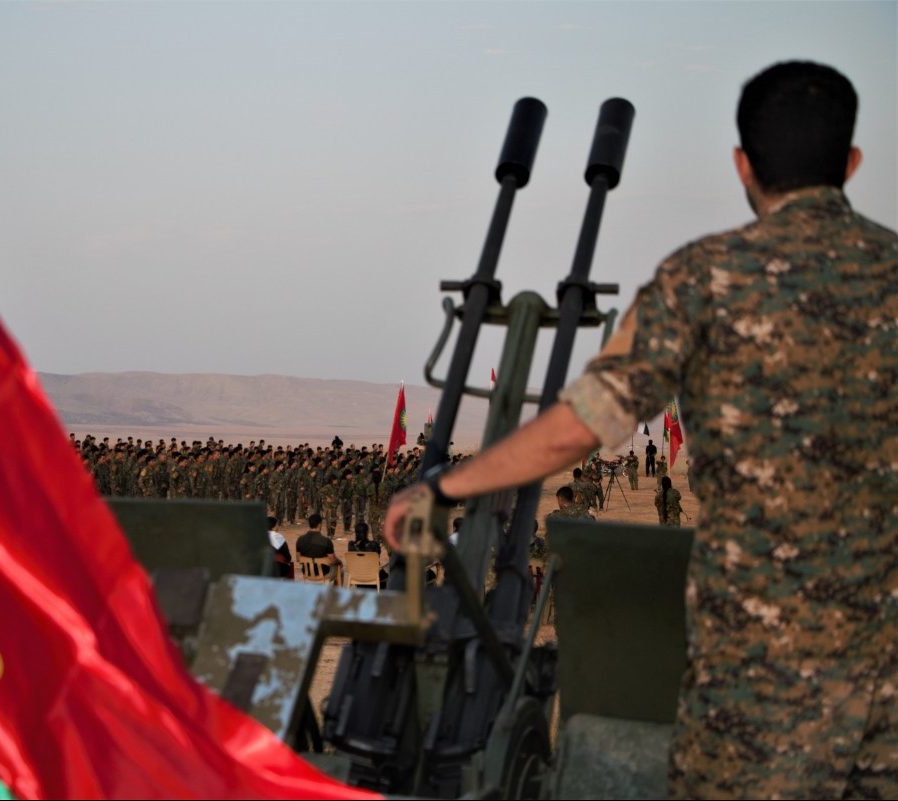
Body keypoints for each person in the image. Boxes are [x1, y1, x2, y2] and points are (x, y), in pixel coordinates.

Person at [385, 62, 896, 798]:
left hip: (759, 683)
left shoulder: (705, 277)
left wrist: (443, 487)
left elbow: (582, 425)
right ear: (850, 162)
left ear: (742, 164)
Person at [296, 513, 338, 577]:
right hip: (323, 573)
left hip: (307, 573)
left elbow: (298, 559)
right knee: (339, 569)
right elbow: (333, 560)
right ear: (319, 525)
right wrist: (339, 561)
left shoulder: (300, 540)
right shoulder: (326, 541)